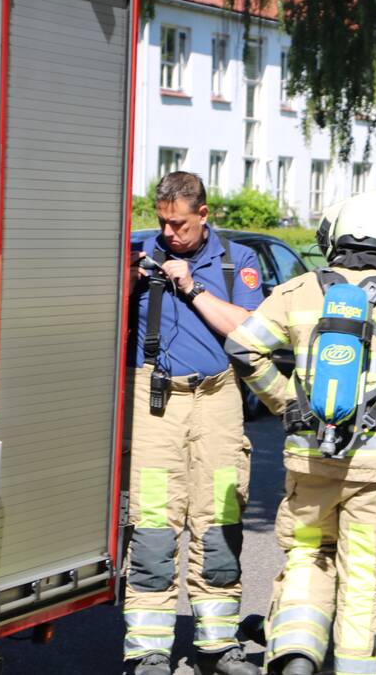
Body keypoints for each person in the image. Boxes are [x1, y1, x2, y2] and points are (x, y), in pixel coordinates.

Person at [223, 192, 376, 675]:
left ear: (331, 235)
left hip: (310, 464)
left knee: (306, 559)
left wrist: (285, 404)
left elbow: (242, 347)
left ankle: (296, 653)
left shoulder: (298, 291)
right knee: (362, 582)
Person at [124, 172, 264, 675]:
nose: (169, 233)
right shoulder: (139, 250)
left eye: (179, 224)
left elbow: (248, 330)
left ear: (203, 215)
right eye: (162, 222)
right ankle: (148, 649)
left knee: (221, 514)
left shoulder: (236, 262)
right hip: (157, 397)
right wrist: (129, 280)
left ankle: (218, 644)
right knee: (156, 518)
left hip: (219, 397)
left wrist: (190, 283)